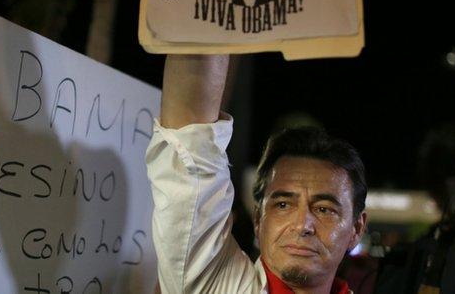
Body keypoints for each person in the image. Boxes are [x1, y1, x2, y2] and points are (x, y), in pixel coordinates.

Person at [146, 55, 367, 293]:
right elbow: (190, 143)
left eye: (324, 209)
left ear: (356, 228)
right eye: (283, 204)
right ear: (258, 220)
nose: (302, 224)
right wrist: (207, 25)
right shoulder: (216, 286)